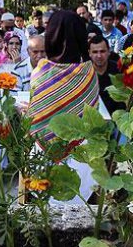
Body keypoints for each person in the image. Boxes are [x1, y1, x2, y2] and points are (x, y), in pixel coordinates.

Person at [26, 11, 99, 201]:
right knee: (80, 203)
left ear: (51, 37)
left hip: (43, 153)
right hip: (81, 154)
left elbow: (34, 113)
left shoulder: (41, 70)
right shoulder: (88, 71)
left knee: (44, 206)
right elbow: (92, 116)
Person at [88, 35, 125, 114]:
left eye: (102, 51)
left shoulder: (119, 70)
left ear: (109, 52)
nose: (99, 56)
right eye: (95, 52)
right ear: (89, 53)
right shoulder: (84, 72)